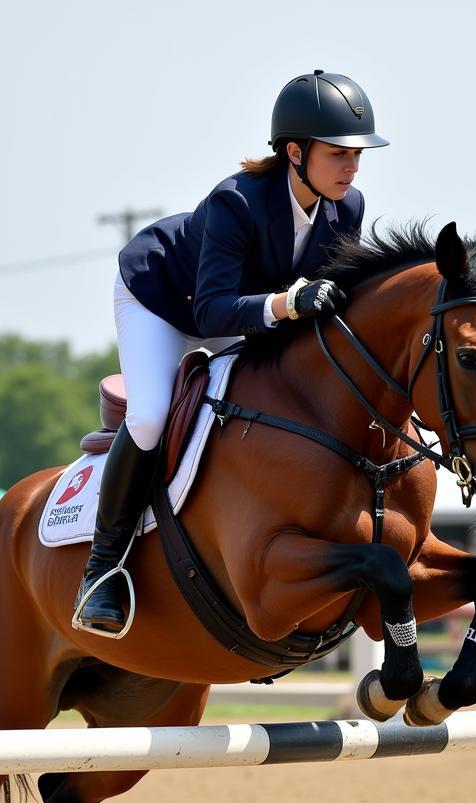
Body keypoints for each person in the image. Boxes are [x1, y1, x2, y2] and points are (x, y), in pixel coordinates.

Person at [75, 71, 388, 635]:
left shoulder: (348, 207)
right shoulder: (234, 202)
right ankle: (102, 569)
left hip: (241, 310)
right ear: (296, 152)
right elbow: (211, 313)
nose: (352, 167)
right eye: (339, 153)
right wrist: (288, 305)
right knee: (149, 414)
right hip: (165, 301)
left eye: (357, 155)